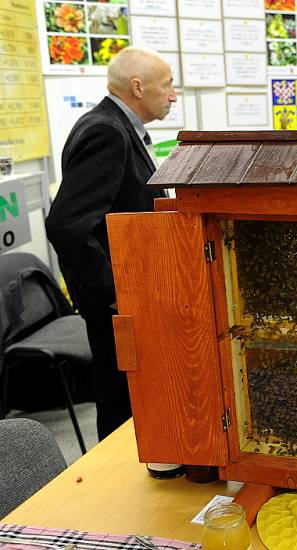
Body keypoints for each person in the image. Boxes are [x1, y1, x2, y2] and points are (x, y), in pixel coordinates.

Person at [45, 46, 177, 440]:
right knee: (121, 401)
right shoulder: (107, 131)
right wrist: (114, 292)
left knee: (129, 396)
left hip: (125, 299)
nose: (173, 95)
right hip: (117, 307)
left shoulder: (116, 126)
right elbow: (68, 225)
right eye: (168, 85)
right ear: (138, 87)